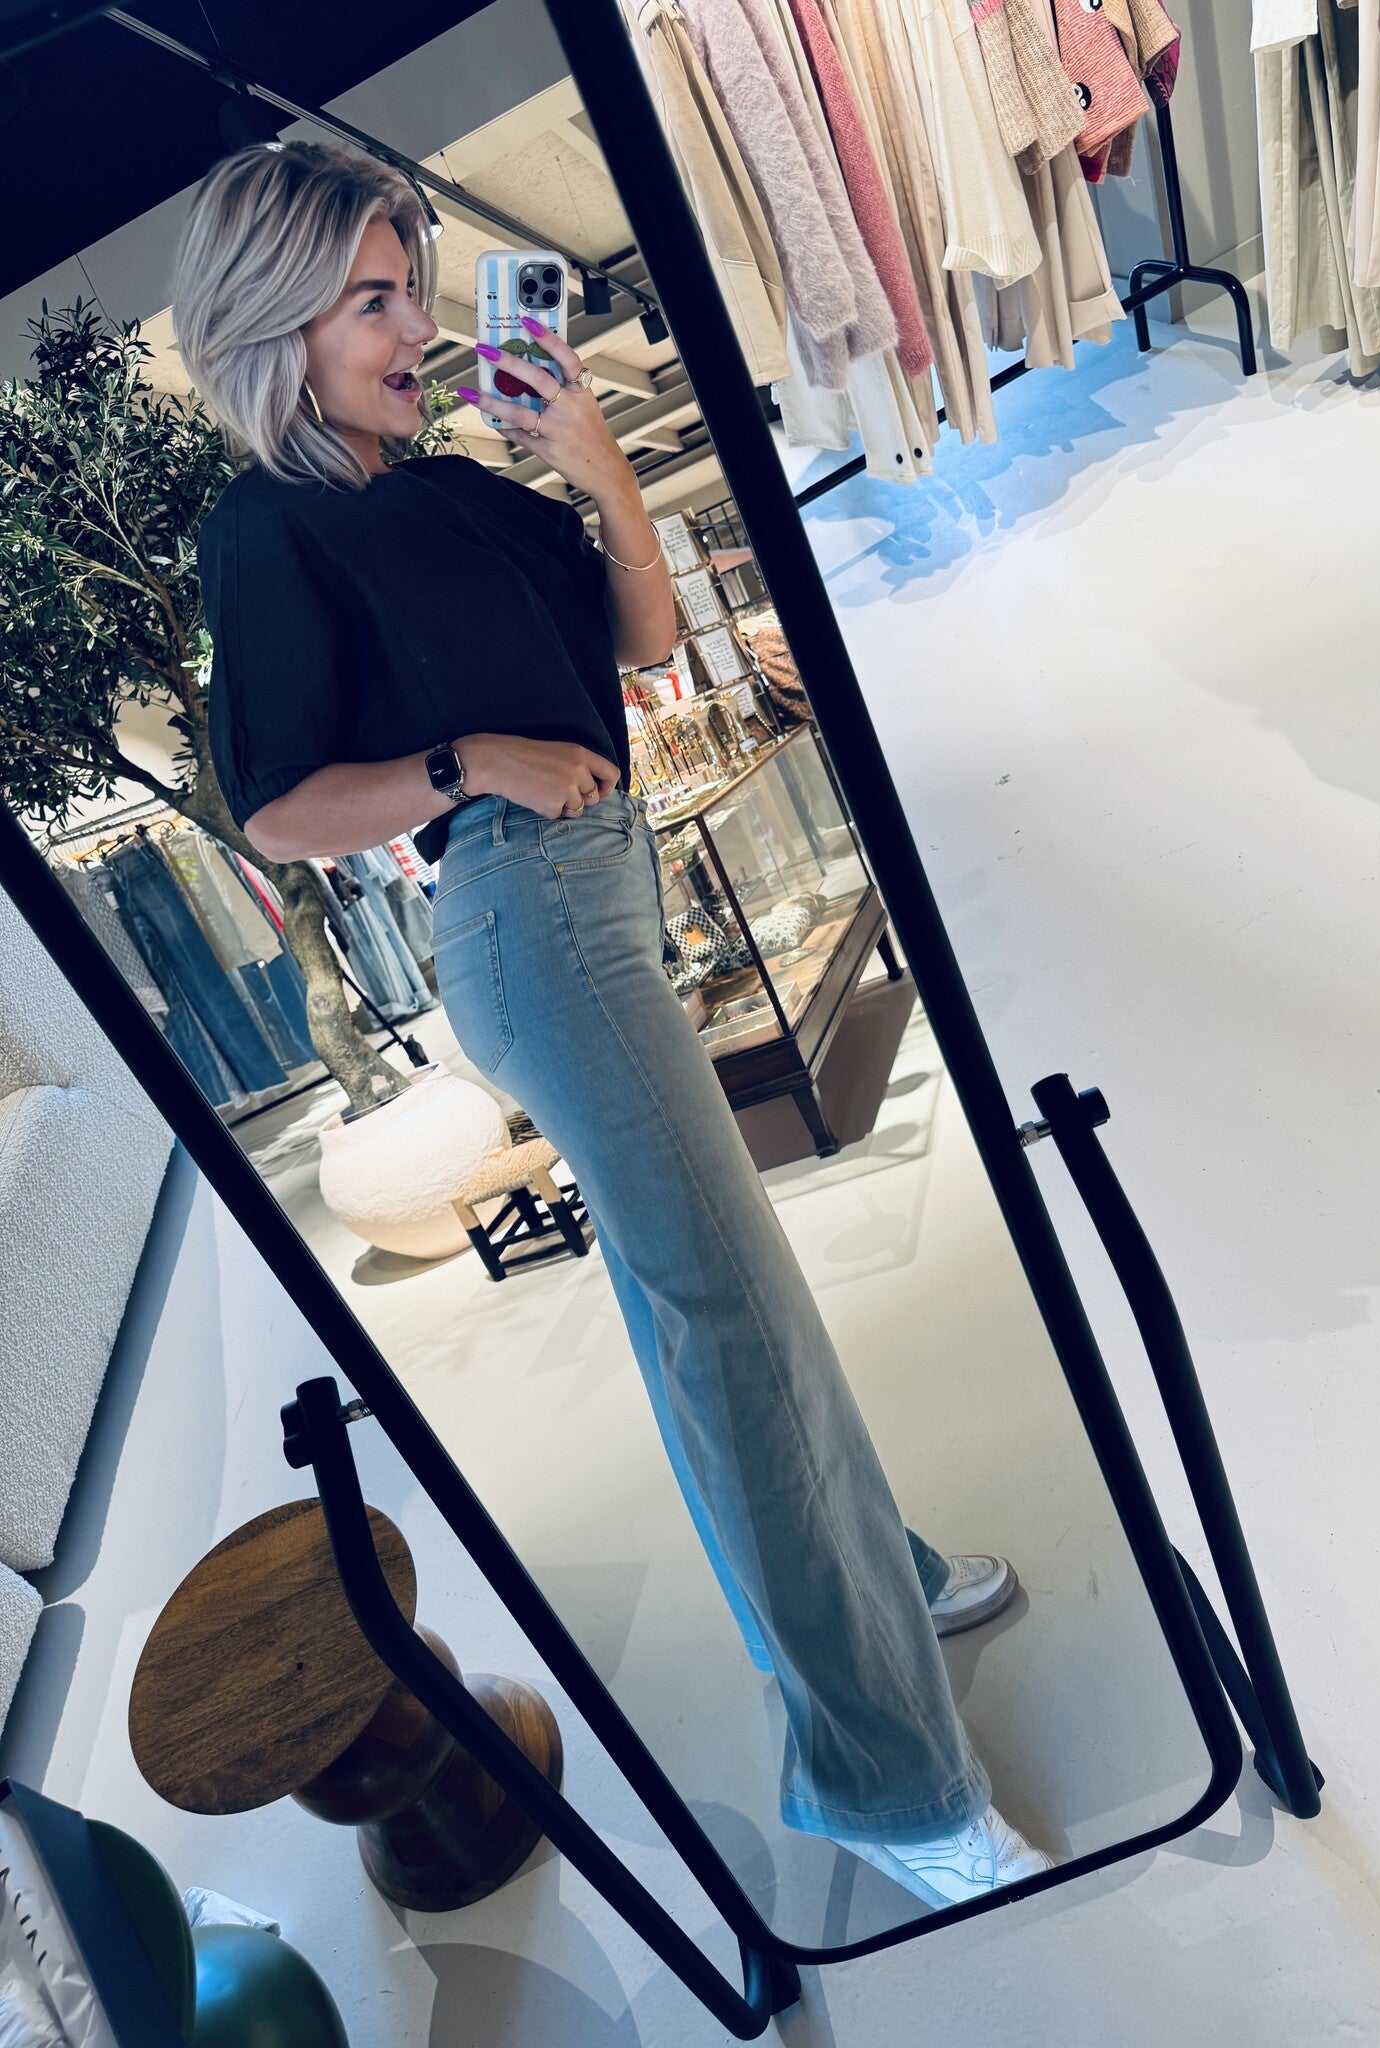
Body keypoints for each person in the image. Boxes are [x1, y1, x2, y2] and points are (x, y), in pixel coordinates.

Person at [173, 137, 1051, 1907]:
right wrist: (469, 761)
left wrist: (597, 469)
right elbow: (275, 809)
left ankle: (879, 1572)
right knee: (723, 1316)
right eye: (370, 301)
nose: (416, 327)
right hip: (526, 914)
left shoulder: (456, 488)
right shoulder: (268, 524)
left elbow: (641, 641)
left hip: (607, 885)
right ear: (276, 323)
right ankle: (885, 1786)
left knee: (735, 1297)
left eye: (415, 288)